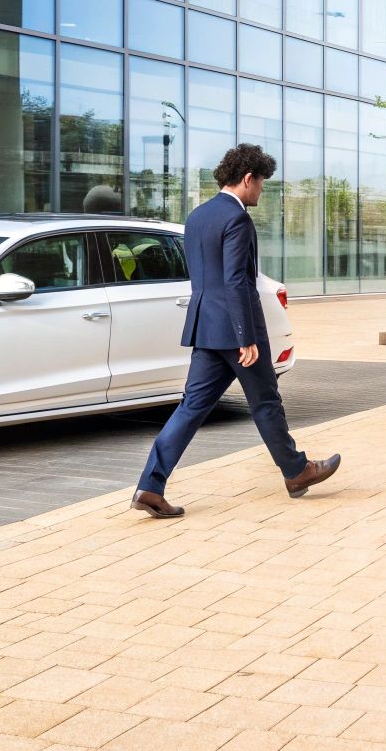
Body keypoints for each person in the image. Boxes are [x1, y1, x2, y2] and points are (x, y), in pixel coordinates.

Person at [131, 144, 340, 518]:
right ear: (248, 179)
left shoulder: (197, 216)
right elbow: (235, 282)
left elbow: (206, 280)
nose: (261, 191)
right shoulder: (237, 220)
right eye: (261, 183)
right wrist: (245, 336)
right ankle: (297, 472)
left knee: (190, 408)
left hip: (206, 328)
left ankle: (150, 485)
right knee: (265, 402)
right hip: (237, 332)